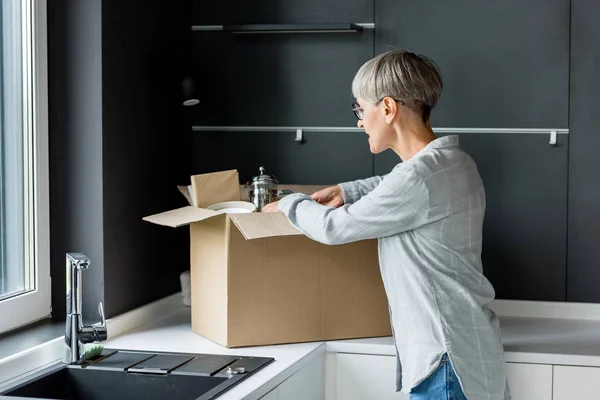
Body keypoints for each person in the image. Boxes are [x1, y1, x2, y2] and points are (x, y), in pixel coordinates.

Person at [261, 50, 511, 400]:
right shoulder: (453, 163)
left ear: (388, 108)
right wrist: (347, 191)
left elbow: (336, 229)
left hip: (445, 363)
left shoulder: (421, 178)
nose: (360, 122)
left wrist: (289, 203)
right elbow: (396, 186)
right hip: (466, 350)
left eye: (360, 109)